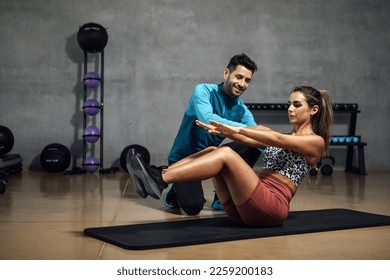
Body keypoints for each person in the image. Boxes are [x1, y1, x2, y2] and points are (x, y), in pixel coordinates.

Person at [127, 86, 333, 227]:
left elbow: (276, 138)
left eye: (297, 105)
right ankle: (158, 173)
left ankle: (160, 180)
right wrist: (222, 130)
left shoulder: (316, 142)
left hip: (270, 207)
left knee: (227, 154)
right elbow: (251, 138)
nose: (290, 109)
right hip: (242, 208)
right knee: (214, 152)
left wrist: (233, 127)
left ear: (313, 110)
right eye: (289, 103)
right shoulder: (287, 137)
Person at [164, 53, 262, 215]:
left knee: (253, 144)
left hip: (210, 159)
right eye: (239, 77)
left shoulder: (242, 111)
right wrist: (245, 130)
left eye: (247, 80)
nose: (242, 84)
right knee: (193, 207)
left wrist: (287, 149)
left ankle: (222, 196)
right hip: (184, 159)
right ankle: (174, 193)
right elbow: (207, 118)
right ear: (226, 73)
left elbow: (258, 137)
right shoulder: (203, 91)